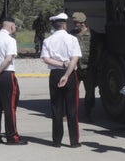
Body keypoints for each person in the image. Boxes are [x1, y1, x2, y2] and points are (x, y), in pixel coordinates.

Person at [40, 12, 82, 147]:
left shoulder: (47, 40)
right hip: (69, 74)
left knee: (56, 107)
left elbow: (45, 59)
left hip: (55, 73)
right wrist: (67, 74)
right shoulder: (72, 39)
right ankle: (74, 141)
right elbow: (75, 59)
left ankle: (57, 140)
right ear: (64, 25)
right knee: (72, 108)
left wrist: (60, 64)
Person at [0, 17, 25, 145]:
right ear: (11, 27)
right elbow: (8, 59)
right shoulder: (10, 40)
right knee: (10, 107)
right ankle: (12, 136)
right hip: (5, 74)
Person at [70, 11, 96, 118]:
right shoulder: (71, 34)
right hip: (75, 67)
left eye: (76, 23)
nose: (74, 25)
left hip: (89, 68)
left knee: (90, 92)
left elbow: (98, 50)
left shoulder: (92, 34)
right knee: (71, 92)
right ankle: (71, 113)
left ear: (82, 23)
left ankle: (88, 113)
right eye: (74, 22)